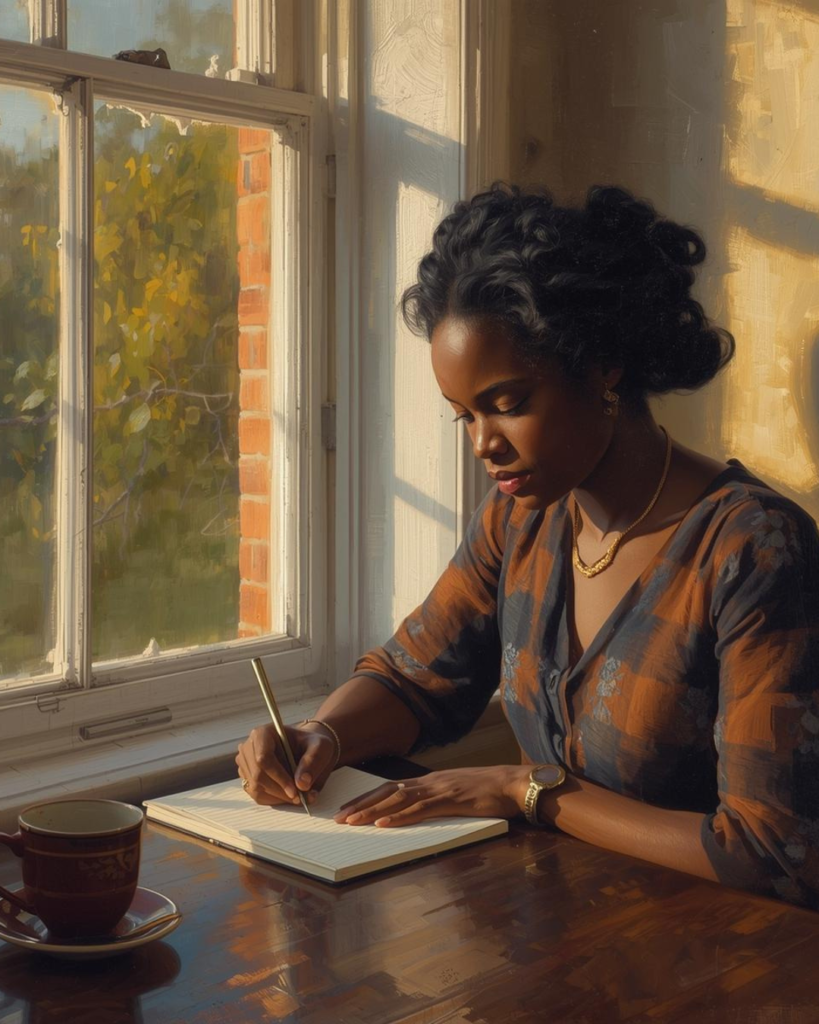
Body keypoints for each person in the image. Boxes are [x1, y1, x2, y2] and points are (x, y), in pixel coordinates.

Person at [236, 183, 819, 908]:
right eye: (464, 417)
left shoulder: (752, 548)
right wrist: (321, 734)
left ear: (602, 366)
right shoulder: (523, 520)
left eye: (508, 404)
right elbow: (416, 678)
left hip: (715, 963)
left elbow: (773, 851)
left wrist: (530, 789)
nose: (485, 444)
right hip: (552, 940)